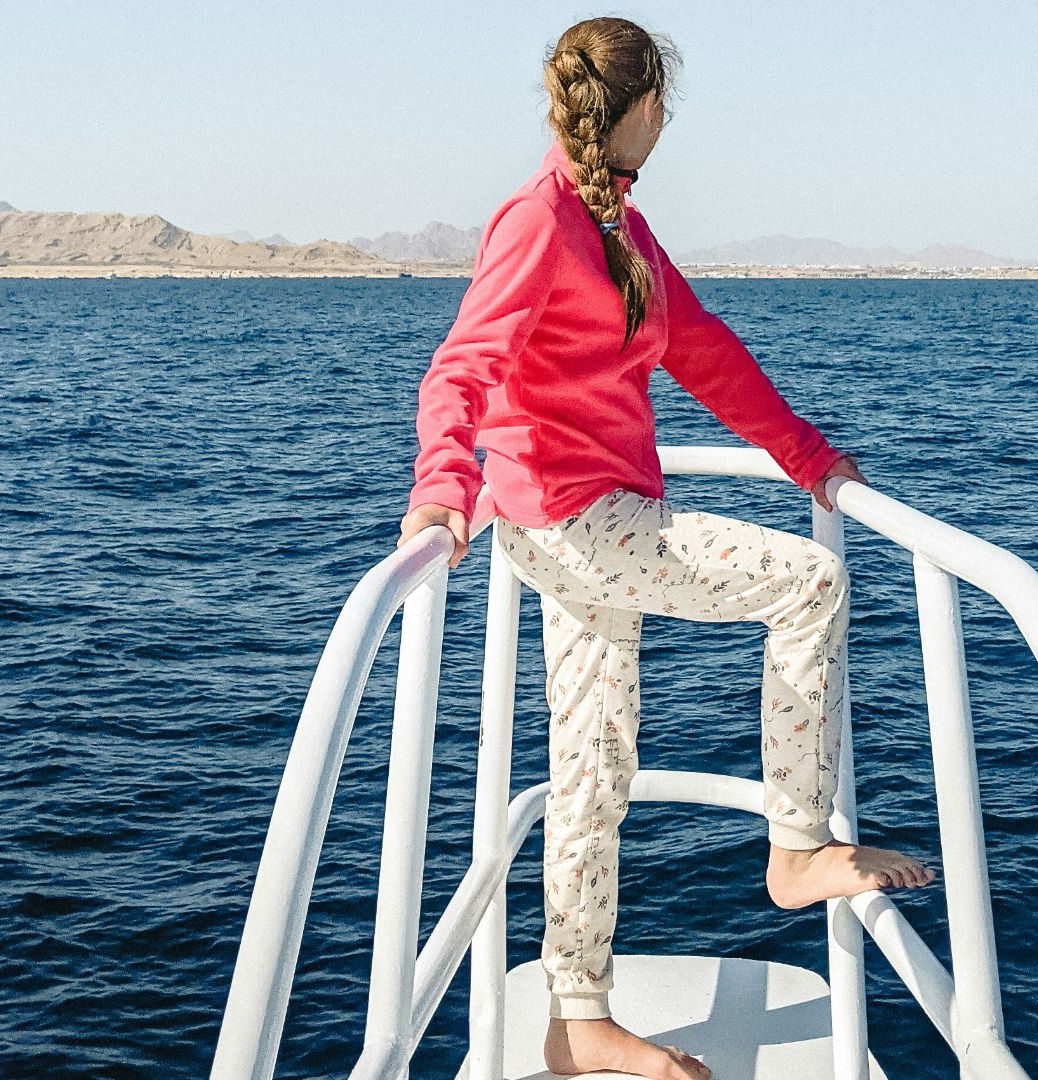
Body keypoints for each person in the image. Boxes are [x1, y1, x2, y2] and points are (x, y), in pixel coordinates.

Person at [397, 17, 934, 1080]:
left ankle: (576, 1019)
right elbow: (459, 368)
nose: (669, 123)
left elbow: (705, 352)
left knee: (592, 769)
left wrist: (812, 458)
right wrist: (441, 490)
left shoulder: (618, 229)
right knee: (808, 580)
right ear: (637, 106)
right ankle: (795, 845)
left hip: (589, 518)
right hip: (570, 516)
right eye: (665, 104)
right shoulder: (539, 221)